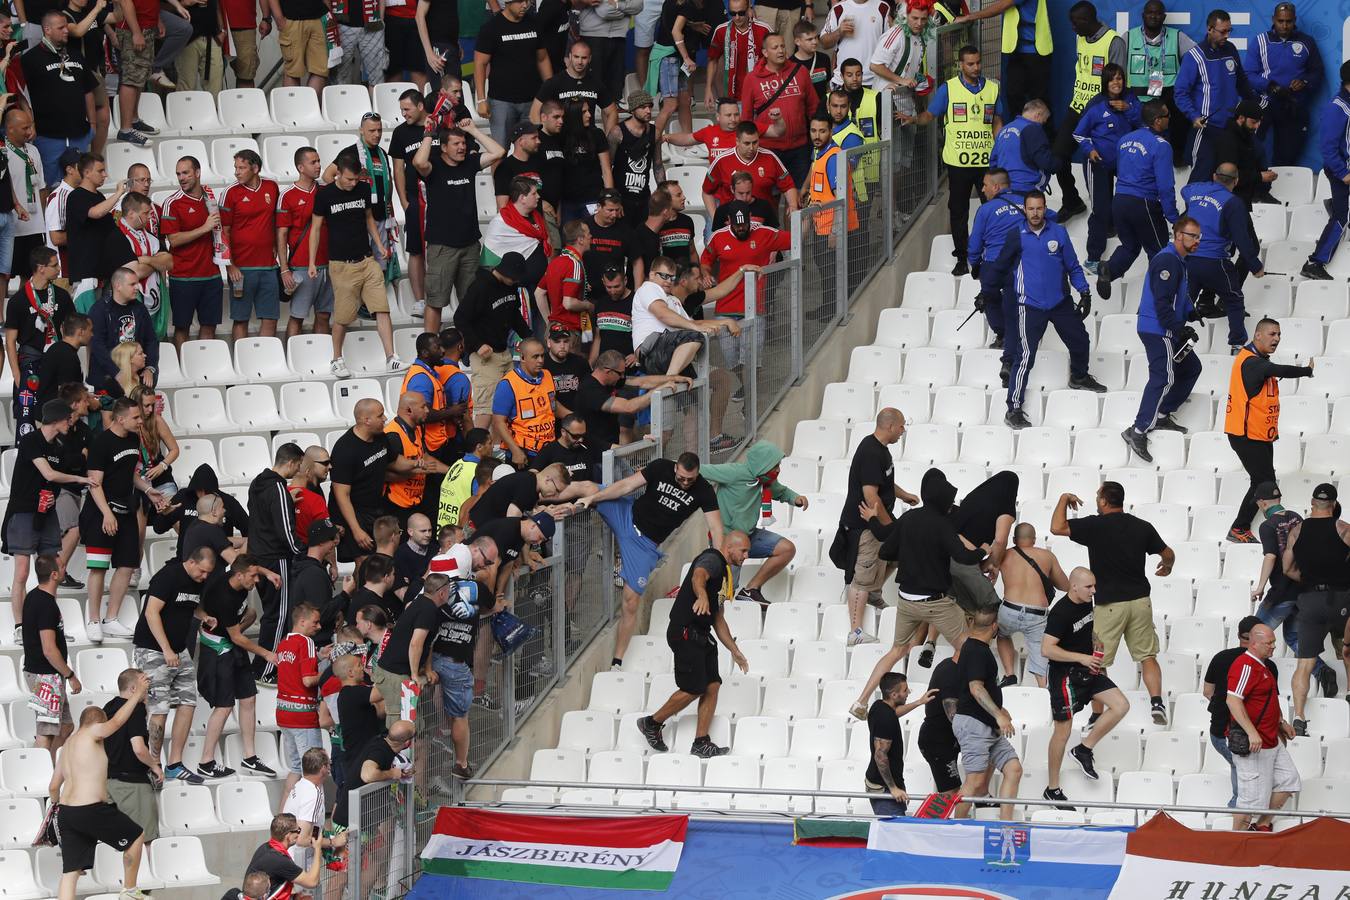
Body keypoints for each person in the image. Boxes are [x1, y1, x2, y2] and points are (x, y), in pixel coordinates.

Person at [848, 468, 983, 719]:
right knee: (969, 648)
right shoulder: (943, 524)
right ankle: (973, 699)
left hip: (906, 600)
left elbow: (886, 550)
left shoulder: (909, 519)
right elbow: (963, 557)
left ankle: (861, 701)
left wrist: (878, 524)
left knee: (896, 651)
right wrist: (983, 550)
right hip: (936, 603)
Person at [576, 453, 723, 667]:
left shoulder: (703, 490)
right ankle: (542, 500)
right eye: (681, 478)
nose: (684, 483)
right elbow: (626, 486)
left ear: (697, 473)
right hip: (627, 516)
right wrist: (593, 499)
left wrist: (718, 561)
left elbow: (716, 527)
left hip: (645, 546)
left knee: (631, 600)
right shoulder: (661, 467)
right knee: (587, 488)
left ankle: (617, 660)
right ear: (675, 468)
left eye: (689, 479)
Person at [979, 190, 1105, 431]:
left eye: (1039, 208)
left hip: (1060, 302)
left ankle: (1079, 376)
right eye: (1031, 209)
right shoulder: (1016, 235)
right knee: (1025, 356)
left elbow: (1073, 266)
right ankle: (1013, 409)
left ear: (1045, 208)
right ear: (1025, 210)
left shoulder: (1058, 232)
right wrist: (986, 292)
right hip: (1030, 305)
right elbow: (999, 266)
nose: (1035, 213)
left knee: (1081, 341)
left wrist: (1085, 292)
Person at [1051, 482, 1174, 725]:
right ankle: (1157, 702)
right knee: (1147, 656)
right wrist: (1167, 566)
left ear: (1105, 501)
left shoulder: (1095, 526)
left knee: (1098, 661)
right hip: (1140, 601)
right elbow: (1167, 553)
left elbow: (1056, 527)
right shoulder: (1142, 526)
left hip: (1108, 604)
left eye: (1098, 497)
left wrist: (1065, 498)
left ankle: (1097, 713)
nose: (1097, 500)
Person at [638, 532, 751, 757]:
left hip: (702, 633)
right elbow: (698, 576)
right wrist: (701, 596)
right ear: (729, 547)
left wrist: (735, 651)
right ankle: (652, 723)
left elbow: (718, 619)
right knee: (694, 688)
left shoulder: (725, 574)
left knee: (712, 685)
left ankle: (701, 742)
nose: (746, 556)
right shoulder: (713, 560)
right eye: (744, 551)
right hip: (685, 631)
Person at [48, 672, 151, 900]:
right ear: (96, 723)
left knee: (71, 871)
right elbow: (115, 723)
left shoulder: (67, 747)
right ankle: (130, 891)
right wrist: (137, 697)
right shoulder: (92, 732)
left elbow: (54, 786)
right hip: (90, 809)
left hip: (67, 812)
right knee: (135, 836)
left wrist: (54, 808)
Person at [902, 45, 1001, 276]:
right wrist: (914, 119)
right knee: (958, 212)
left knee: (992, 210)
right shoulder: (950, 88)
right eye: (970, 64)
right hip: (958, 163)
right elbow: (931, 115)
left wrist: (1000, 143)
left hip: (986, 162)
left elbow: (997, 119)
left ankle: (990, 256)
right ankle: (962, 258)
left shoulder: (993, 89)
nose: (975, 67)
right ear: (960, 65)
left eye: (978, 62)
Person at [81, 398, 170, 642]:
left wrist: (147, 489)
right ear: (120, 419)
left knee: (127, 564)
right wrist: (106, 514)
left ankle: (111, 619)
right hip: (101, 512)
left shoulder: (133, 438)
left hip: (127, 509)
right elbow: (94, 483)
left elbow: (130, 473)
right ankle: (94, 620)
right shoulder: (101, 443)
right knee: (98, 567)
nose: (141, 421)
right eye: (136, 417)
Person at [1041, 567, 1130, 809]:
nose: (1094, 590)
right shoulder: (1061, 612)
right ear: (1074, 587)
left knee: (1121, 705)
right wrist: (1080, 658)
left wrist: (1095, 644)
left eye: (1094, 585)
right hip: (1065, 675)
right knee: (1063, 731)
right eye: (1089, 587)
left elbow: (1085, 630)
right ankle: (1052, 789)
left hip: (1089, 669)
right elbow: (1047, 649)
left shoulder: (1085, 602)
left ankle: (1084, 749)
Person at [1223, 318, 1315, 542]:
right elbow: (1276, 369)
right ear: (1258, 336)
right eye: (1272, 334)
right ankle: (1240, 528)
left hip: (1259, 433)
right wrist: (1306, 371)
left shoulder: (1256, 359)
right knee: (1263, 482)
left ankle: (1247, 526)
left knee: (1264, 479)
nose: (1277, 339)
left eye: (1279, 335)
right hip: (1246, 435)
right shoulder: (1253, 362)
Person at [1123, 215, 1203, 464]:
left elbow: (1178, 296)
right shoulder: (1167, 260)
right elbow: (1162, 302)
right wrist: (1179, 328)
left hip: (1167, 328)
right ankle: (1137, 430)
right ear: (1179, 235)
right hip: (1158, 329)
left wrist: (1191, 313)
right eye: (1193, 236)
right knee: (1164, 377)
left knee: (1191, 367)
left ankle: (1163, 413)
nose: (1197, 241)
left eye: (1199, 236)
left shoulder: (1179, 260)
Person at [133, 546, 217, 785]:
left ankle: (175, 764)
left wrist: (204, 616)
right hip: (153, 649)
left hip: (179, 651)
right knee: (159, 709)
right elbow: (151, 613)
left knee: (188, 701)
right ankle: (153, 764)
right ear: (191, 562)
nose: (204, 577)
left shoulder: (198, 581)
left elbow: (190, 605)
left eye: (207, 573)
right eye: (202, 571)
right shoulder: (167, 576)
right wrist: (166, 649)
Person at [311, 155, 400, 378]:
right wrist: (312, 262)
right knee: (342, 317)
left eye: (355, 179)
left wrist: (380, 246)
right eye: (349, 179)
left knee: (382, 308)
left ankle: (391, 358)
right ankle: (336, 359)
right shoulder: (325, 195)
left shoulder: (362, 189)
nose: (353, 183)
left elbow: (369, 218)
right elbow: (315, 229)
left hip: (367, 260)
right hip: (342, 265)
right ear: (338, 173)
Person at [834, 408, 914, 644]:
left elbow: (883, 482)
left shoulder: (880, 451)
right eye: (901, 426)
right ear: (890, 426)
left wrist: (904, 495)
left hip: (877, 521)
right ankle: (855, 632)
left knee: (897, 556)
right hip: (866, 526)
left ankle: (874, 592)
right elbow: (871, 495)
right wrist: (889, 526)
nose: (903, 431)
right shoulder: (871, 452)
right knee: (863, 575)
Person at [5, 400, 88, 629]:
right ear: (57, 419)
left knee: (53, 569)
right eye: (67, 419)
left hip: (46, 512)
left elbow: (52, 483)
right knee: (22, 572)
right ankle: (20, 626)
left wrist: (52, 496)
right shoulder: (31, 440)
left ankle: (49, 623)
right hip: (23, 512)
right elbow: (49, 474)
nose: (71, 423)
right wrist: (80, 479)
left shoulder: (58, 446)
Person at [1251, 484, 1335, 701]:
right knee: (1294, 636)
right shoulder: (1297, 517)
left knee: (1253, 633)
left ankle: (1250, 681)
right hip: (1303, 589)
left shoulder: (1267, 526)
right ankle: (1322, 670)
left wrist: (1260, 586)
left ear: (1262, 502)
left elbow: (1271, 556)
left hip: (1282, 591)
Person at [196, 555, 276, 779]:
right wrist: (266, 654)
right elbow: (237, 637)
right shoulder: (224, 596)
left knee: (249, 697)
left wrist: (267, 572)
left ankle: (250, 757)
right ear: (239, 575)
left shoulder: (239, 574)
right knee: (224, 705)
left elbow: (250, 563)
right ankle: (206, 761)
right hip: (219, 647)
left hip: (232, 642)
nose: (256, 580)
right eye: (253, 576)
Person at [701, 441, 805, 604]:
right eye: (775, 465)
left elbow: (780, 491)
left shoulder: (765, 480)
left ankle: (750, 590)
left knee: (787, 549)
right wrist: (667, 468)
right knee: (727, 594)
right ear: (762, 464)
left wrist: (795, 498)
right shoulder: (734, 472)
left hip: (749, 536)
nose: (778, 469)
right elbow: (700, 470)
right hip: (727, 540)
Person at [1283, 483, 1350, 734]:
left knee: (1305, 664)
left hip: (1310, 600)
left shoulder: (1296, 531)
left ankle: (1299, 717)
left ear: (1312, 503)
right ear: (1333, 505)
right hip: (1342, 597)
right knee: (1348, 650)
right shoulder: (1343, 529)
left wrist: (1309, 580)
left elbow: (1287, 569)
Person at [1095, 100, 1177, 302]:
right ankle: (1157, 300)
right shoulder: (1161, 146)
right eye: (1167, 116)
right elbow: (1165, 186)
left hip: (1120, 201)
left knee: (1130, 246)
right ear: (1158, 121)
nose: (1169, 119)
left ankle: (1109, 269)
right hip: (1144, 203)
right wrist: (1173, 217)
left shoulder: (1124, 140)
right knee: (1160, 252)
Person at [1181, 163, 1265, 352]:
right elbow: (1241, 237)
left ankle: (1172, 337)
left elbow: (1184, 190)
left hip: (1191, 259)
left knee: (1184, 301)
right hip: (1215, 261)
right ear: (1236, 181)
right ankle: (1236, 344)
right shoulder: (1233, 202)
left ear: (1213, 176)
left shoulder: (1194, 191)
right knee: (1234, 300)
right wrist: (1254, 265)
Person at [1226, 623, 1300, 832]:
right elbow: (1233, 701)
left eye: (1274, 642)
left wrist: (1281, 723)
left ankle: (1260, 825)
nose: (1273, 647)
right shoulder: (1245, 665)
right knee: (1250, 801)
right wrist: (1251, 733)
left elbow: (1265, 701)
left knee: (1288, 780)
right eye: (1269, 643)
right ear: (1254, 643)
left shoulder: (1262, 665)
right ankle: (1236, 843)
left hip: (1271, 740)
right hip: (1255, 744)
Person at [951, 607, 1022, 820]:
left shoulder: (974, 648)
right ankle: (956, 827)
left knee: (1014, 769)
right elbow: (976, 688)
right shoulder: (976, 650)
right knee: (974, 782)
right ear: (994, 626)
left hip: (986, 725)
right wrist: (999, 715)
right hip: (975, 725)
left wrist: (999, 711)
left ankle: (1005, 825)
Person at [329, 399, 420, 564]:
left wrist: (417, 463)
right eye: (380, 415)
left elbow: (393, 461)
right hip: (352, 512)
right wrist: (356, 530)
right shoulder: (345, 449)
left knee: (381, 558)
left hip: (375, 507)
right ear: (366, 420)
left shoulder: (380, 437)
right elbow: (342, 495)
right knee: (364, 562)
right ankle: (358, 590)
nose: (385, 418)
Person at [1072, 64, 1142, 273]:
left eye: (1120, 78)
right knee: (1101, 209)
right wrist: (1090, 150)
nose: (1116, 82)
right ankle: (1093, 258)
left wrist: (1128, 109)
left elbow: (1142, 124)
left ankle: (1131, 241)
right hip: (1098, 164)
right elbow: (1078, 133)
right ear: (1105, 82)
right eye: (1112, 79)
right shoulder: (1096, 104)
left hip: (1124, 164)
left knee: (1129, 201)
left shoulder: (1131, 100)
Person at [455, 253, 534, 428]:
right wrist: (477, 344)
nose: (516, 282)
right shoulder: (480, 287)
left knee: (505, 406)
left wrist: (529, 337)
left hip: (504, 352)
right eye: (514, 279)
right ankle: (478, 452)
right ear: (505, 273)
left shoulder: (511, 286)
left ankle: (498, 448)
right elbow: (460, 318)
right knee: (486, 409)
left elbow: (514, 315)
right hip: (484, 357)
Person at [1177, 9, 1256, 183]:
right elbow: (1181, 92)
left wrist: (1253, 105)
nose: (1227, 35)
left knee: (1227, 178)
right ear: (1210, 29)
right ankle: (1191, 210)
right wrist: (1193, 116)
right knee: (1201, 177)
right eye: (1223, 31)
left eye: (1229, 31)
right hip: (1206, 127)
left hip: (1230, 126)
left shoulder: (1231, 50)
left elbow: (1241, 82)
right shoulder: (1195, 56)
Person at [249, 442, 305, 682]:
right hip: (276, 558)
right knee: (279, 616)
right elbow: (285, 530)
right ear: (291, 462)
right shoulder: (278, 489)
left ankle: (263, 667)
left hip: (259, 555)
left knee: (272, 614)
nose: (299, 471)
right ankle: (266, 670)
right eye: (299, 465)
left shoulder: (257, 483)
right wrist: (301, 554)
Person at [22, 12, 96, 185]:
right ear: (47, 29)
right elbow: (22, 96)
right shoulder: (30, 59)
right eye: (61, 27)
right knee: (51, 186)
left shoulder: (76, 55)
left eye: (67, 27)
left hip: (79, 134)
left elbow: (88, 90)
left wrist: (92, 125)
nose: (66, 31)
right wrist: (31, 125)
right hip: (48, 136)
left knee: (80, 185)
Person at [1203, 614, 1270, 806]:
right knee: (1245, 769)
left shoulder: (1220, 657)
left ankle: (1240, 810)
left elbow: (1208, 691)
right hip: (1250, 732)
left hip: (1219, 731)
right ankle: (1239, 811)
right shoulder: (1266, 665)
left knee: (1241, 766)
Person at [1244, 3, 1319, 167]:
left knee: (1288, 154)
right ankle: (1255, 185)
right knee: (1254, 146)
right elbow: (1248, 74)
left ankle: (1281, 189)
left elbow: (1316, 72)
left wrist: (1304, 82)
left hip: (1293, 103)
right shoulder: (1260, 41)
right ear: (1273, 19)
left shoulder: (1307, 42)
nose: (1284, 25)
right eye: (1280, 21)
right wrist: (1269, 85)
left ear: (1294, 20)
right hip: (1266, 102)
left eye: (1289, 21)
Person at [161, 156, 224, 347]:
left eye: (186, 173)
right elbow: (174, 240)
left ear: (197, 173)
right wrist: (204, 228)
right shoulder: (172, 202)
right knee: (182, 328)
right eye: (178, 174)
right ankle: (183, 369)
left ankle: (205, 367)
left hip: (211, 275)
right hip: (183, 276)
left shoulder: (209, 196)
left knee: (209, 326)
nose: (181, 178)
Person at [740, 34, 818, 188]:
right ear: (765, 52)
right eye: (775, 47)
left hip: (799, 149)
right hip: (768, 150)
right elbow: (746, 119)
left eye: (782, 46)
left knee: (798, 200)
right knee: (770, 201)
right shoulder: (752, 79)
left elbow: (813, 108)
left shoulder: (800, 71)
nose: (781, 51)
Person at [995, 523, 1067, 689]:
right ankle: (1044, 688)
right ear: (1034, 539)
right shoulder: (1047, 556)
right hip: (1037, 613)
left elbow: (986, 569)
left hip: (1010, 608)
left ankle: (1009, 674)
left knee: (1003, 635)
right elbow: (1064, 585)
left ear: (1014, 539)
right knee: (1038, 651)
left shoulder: (1005, 554)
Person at [473, 0, 553, 147]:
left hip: (532, 100)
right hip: (501, 102)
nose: (525, 5)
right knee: (499, 151)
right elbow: (480, 64)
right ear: (508, 2)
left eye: (528, 1)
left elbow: (542, 59)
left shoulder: (534, 23)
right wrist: (481, 100)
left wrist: (550, 92)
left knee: (532, 148)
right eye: (520, 1)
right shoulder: (491, 28)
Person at [221, 149, 281, 340]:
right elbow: (223, 232)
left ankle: (266, 361)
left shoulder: (272, 187)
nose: (237, 172)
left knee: (270, 318)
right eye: (235, 168)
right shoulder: (230, 193)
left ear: (255, 168)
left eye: (241, 168)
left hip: (269, 266)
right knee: (241, 319)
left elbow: (274, 220)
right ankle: (242, 362)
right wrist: (230, 265)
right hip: (241, 268)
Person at [1125, 0, 1194, 164]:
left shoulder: (1177, 36)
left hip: (1168, 93)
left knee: (1181, 113)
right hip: (1138, 95)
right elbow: (1117, 65)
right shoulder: (1129, 37)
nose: (1153, 16)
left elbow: (1196, 59)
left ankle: (1177, 156)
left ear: (1164, 16)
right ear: (1143, 15)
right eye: (1150, 12)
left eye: (1157, 13)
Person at [21, 554, 77, 757]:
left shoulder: (35, 596)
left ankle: (51, 769)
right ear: (54, 575)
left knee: (65, 727)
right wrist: (70, 676)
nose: (65, 568)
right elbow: (49, 649)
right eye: (62, 566)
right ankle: (41, 776)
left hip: (48, 675)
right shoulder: (45, 604)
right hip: (46, 677)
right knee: (45, 734)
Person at [276, 147, 333, 341]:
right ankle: (293, 354)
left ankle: (323, 357)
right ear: (301, 167)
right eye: (313, 162)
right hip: (301, 264)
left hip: (329, 262)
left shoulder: (325, 191)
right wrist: (284, 269)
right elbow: (281, 235)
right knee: (298, 316)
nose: (318, 166)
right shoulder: (287, 195)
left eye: (318, 161)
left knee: (324, 314)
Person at [1300, 61, 1350, 282]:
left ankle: (1334, 205)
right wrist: (1343, 173)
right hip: (1343, 172)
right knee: (1342, 216)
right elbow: (1328, 147)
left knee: (1342, 213)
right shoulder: (1337, 108)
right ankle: (1314, 262)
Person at [103, 667, 163, 845]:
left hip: (108, 784)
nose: (148, 691)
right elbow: (138, 748)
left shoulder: (108, 708)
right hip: (133, 786)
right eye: (145, 685)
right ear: (134, 689)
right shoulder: (135, 710)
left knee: (120, 843)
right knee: (144, 841)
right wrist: (154, 766)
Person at [949, 471, 1018, 615]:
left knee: (960, 610)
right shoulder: (1005, 501)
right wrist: (993, 564)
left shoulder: (972, 497)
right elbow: (1000, 541)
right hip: (964, 562)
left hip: (945, 556)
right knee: (991, 611)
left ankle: (929, 638)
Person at [864, 672, 933, 815]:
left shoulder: (878, 706)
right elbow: (880, 755)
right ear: (894, 695)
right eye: (905, 690)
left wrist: (919, 702)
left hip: (883, 782)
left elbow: (894, 712)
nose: (908, 692)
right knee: (894, 832)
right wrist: (893, 788)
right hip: (884, 788)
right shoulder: (886, 719)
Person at [702, 122, 797, 225]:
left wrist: (793, 205)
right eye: (747, 143)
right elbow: (707, 192)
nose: (751, 148)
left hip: (764, 222)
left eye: (755, 142)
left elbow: (788, 186)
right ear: (737, 141)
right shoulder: (722, 160)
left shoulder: (770, 157)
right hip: (732, 223)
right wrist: (716, 217)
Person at [65, 155, 127, 312]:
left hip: (103, 271)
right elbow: (95, 213)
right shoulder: (75, 196)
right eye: (101, 171)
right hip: (85, 274)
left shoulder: (98, 196)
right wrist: (118, 193)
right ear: (86, 172)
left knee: (105, 322)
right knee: (87, 323)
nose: (105, 175)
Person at [275, 603, 324, 799]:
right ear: (302, 622)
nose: (319, 626)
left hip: (284, 713)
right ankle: (311, 821)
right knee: (314, 770)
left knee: (297, 767)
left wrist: (319, 657)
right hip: (303, 716)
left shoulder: (284, 642)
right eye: (315, 622)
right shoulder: (306, 642)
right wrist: (330, 672)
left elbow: (294, 672)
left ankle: (284, 817)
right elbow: (308, 680)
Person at [333, 721, 415, 829]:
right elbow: (367, 775)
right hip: (349, 822)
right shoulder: (379, 751)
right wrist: (392, 773)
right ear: (408, 743)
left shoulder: (382, 741)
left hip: (362, 818)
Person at [491, 337, 557, 467]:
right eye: (535, 357)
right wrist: (515, 451)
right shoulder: (508, 384)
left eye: (542, 356)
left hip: (549, 448)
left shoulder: (547, 375)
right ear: (522, 358)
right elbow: (498, 422)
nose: (541, 361)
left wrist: (570, 416)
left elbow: (552, 404)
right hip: (524, 453)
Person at [247, 814, 330, 900]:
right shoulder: (279, 860)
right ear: (288, 835)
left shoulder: (265, 847)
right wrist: (317, 848)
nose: (299, 834)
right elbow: (312, 881)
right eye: (298, 830)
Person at [706, 0, 769, 102]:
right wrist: (708, 88)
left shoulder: (763, 29)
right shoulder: (721, 31)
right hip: (732, 96)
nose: (737, 17)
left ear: (749, 8)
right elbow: (713, 60)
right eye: (732, 14)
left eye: (741, 13)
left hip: (760, 93)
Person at [990, 99, 1056, 194]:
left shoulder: (1003, 130)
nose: (1042, 124)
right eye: (1043, 121)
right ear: (1038, 115)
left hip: (1004, 190)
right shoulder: (1033, 129)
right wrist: (1058, 161)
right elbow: (1044, 162)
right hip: (1027, 189)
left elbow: (993, 162)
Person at [819, 0, 890, 88]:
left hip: (874, 80)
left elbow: (890, 43)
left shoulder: (883, 7)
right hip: (843, 80)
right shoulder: (838, 8)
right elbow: (824, 43)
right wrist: (839, 32)